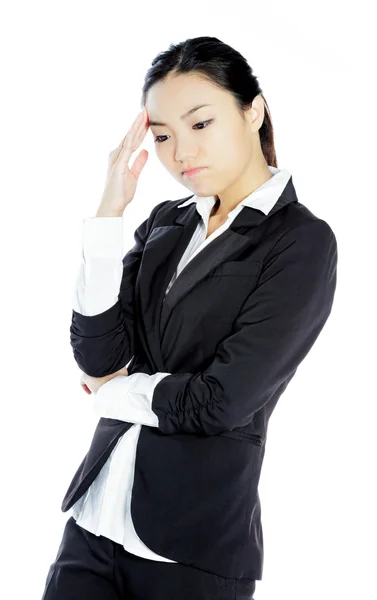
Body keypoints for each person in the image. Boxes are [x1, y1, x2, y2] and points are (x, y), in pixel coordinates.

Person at [41, 35, 338, 599]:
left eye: (200, 123)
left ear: (254, 111)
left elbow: (221, 402)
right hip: (92, 524)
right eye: (162, 136)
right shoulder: (166, 222)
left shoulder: (300, 242)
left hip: (191, 547)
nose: (181, 153)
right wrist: (110, 213)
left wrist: (112, 396)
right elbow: (99, 353)